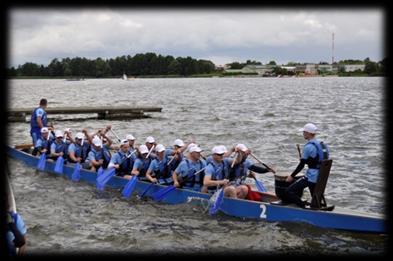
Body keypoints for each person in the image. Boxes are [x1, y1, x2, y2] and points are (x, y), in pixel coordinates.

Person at [285, 123, 330, 208]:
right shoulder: (322, 144)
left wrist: (291, 176)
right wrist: (306, 161)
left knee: (289, 191)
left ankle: (303, 207)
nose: (303, 134)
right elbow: (317, 161)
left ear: (308, 133)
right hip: (322, 176)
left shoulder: (308, 147)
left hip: (312, 177)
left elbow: (301, 165)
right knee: (313, 192)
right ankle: (316, 206)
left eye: (304, 132)